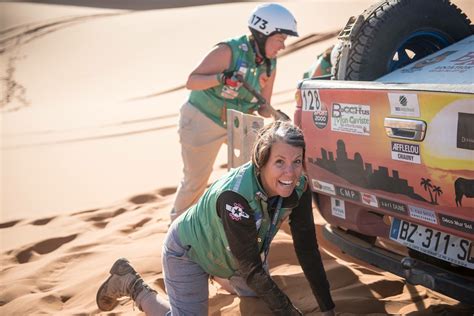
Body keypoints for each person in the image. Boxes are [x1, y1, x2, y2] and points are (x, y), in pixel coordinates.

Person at [96, 121, 336, 315]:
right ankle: (131, 283)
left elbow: (306, 247)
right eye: (279, 162)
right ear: (261, 162)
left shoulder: (299, 185)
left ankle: (218, 274)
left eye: (296, 161)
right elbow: (251, 270)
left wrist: (328, 308)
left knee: (262, 302)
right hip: (189, 251)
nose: (290, 173)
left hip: (236, 252)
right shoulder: (236, 198)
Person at [170, 3, 299, 221]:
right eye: (280, 39)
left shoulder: (269, 63)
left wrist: (274, 113)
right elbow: (192, 82)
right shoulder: (228, 51)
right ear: (263, 33)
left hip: (238, 122)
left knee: (256, 170)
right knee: (195, 181)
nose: (282, 46)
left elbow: (263, 105)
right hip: (203, 120)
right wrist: (221, 78)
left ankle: (250, 221)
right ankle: (176, 232)